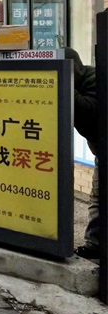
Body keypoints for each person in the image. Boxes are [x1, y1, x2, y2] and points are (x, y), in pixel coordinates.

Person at [65, 47, 101, 260]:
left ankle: (94, 246)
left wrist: (65, 83)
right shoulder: (82, 81)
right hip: (99, 149)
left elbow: (88, 113)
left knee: (98, 197)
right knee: (98, 197)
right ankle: (95, 245)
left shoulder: (94, 80)